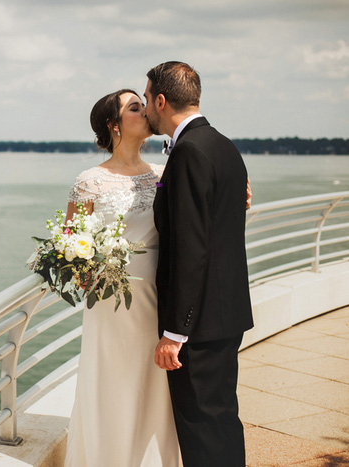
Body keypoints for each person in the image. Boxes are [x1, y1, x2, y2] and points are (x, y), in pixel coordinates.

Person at [144, 61, 254, 467]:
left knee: (201, 431)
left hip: (199, 323)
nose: (146, 109)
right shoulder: (223, 144)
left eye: (146, 100)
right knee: (222, 420)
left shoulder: (189, 150)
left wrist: (175, 332)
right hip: (225, 314)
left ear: (161, 100)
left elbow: (192, 246)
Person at [64, 89, 180, 466]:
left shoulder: (165, 174)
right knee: (114, 383)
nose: (144, 110)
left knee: (154, 384)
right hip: (111, 301)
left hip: (158, 297)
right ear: (113, 125)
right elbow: (70, 246)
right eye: (134, 107)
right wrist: (89, 272)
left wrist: (236, 197)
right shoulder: (90, 182)